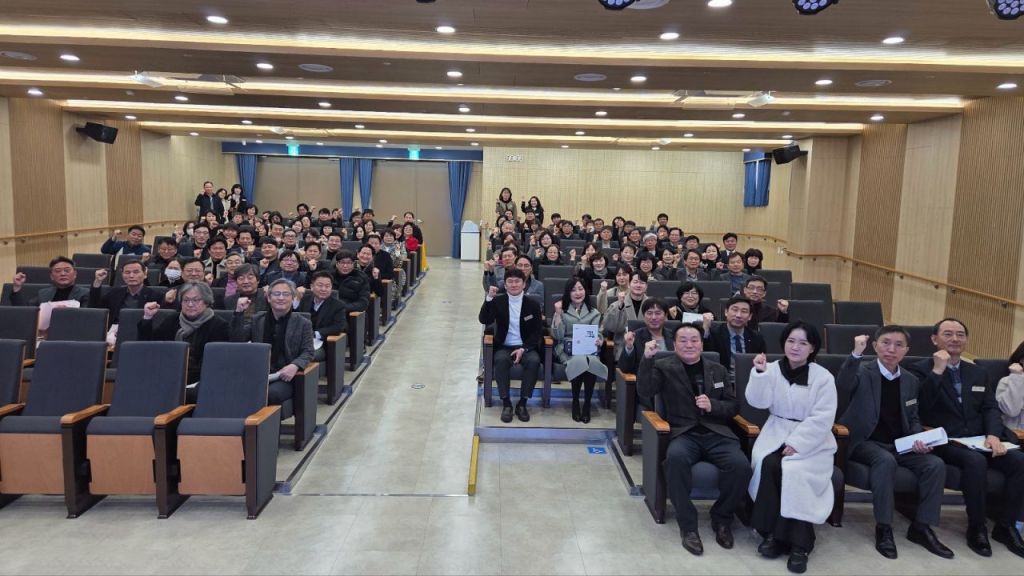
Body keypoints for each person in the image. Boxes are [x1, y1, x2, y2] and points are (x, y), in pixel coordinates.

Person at [908, 318, 1024, 558]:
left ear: (966, 340)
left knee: (1019, 462)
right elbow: (921, 407)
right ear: (934, 339)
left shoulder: (977, 372)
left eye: (960, 334)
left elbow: (990, 408)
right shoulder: (919, 369)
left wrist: (993, 435)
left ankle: (1005, 526)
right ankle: (977, 527)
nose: (955, 339)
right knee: (975, 461)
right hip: (945, 440)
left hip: (979, 439)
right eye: (948, 334)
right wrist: (937, 371)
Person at [836, 328, 953, 560]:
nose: (891, 349)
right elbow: (843, 385)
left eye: (899, 345)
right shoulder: (862, 371)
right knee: (885, 461)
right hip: (865, 441)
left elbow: (913, 416)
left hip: (900, 444)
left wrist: (918, 438)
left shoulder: (910, 380)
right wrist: (855, 354)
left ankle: (921, 527)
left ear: (906, 350)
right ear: (875, 346)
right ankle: (884, 528)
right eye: (886, 343)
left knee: (935, 464)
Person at [638, 323, 749, 556]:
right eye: (683, 340)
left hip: (717, 433)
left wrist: (713, 405)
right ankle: (688, 526)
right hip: (683, 432)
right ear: (674, 344)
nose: (689, 345)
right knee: (675, 460)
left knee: (740, 466)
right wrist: (647, 359)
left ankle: (722, 518)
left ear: (701, 343)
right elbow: (645, 390)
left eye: (694, 340)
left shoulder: (717, 369)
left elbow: (733, 406)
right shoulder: (664, 366)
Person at [747, 322, 838, 574]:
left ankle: (800, 544)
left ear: (813, 348)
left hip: (813, 440)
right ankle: (773, 534)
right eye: (791, 341)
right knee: (769, 463)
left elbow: (823, 417)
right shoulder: (772, 369)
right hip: (776, 431)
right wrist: (760, 374)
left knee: (795, 472)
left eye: (803, 343)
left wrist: (798, 443)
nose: (795, 347)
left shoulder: (823, 378)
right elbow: (758, 402)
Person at [138, 282, 230, 401]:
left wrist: (181, 380)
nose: (190, 304)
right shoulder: (171, 321)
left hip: (200, 380)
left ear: (206, 302)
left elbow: (213, 364)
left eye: (196, 300)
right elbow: (150, 348)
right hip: (168, 375)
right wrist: (147, 318)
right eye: (186, 300)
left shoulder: (218, 326)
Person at [231, 278, 315, 407]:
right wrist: (239, 313)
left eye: (286, 294)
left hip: (284, 376)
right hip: (258, 372)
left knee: (269, 394)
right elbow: (237, 340)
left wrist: (295, 365)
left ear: (293, 298)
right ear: (269, 298)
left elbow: (308, 351)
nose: (281, 298)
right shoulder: (258, 319)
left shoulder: (303, 323)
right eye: (276, 294)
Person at [479, 268, 543, 423]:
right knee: (501, 360)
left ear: (524, 284)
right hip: (504, 345)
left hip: (525, 346)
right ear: (505, 285)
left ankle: (522, 403)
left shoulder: (533, 305)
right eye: (510, 281)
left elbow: (537, 332)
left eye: (517, 281)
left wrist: (524, 348)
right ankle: (506, 403)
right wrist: (489, 298)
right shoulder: (498, 301)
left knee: (534, 361)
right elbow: (484, 319)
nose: (514, 285)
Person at [551, 278, 605, 423]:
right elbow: (558, 336)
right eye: (573, 290)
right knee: (578, 361)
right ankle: (575, 402)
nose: (577, 293)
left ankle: (587, 404)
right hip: (567, 348)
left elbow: (598, 333)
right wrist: (557, 314)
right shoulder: (562, 310)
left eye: (580, 289)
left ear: (585, 291)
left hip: (588, 348)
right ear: (568, 293)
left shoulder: (594, 312)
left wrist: (599, 340)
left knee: (591, 362)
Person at [703, 296, 766, 378]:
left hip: (749, 379)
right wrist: (705, 329)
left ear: (750, 316)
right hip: (721, 380)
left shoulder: (756, 337)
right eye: (735, 310)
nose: (738, 315)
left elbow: (762, 364)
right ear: (726, 312)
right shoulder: (714, 334)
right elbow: (706, 356)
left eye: (744, 311)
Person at [88, 260, 162, 324]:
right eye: (127, 272)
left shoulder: (156, 296)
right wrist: (98, 281)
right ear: (122, 275)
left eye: (136, 272)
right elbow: (95, 308)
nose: (131, 276)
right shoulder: (114, 293)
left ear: (145, 274)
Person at [297, 271, 348, 362]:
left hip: (323, 343)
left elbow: (339, 326)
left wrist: (316, 334)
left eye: (327, 286)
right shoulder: (304, 300)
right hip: (302, 340)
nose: (324, 289)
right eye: (320, 285)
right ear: (312, 287)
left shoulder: (338, 305)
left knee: (307, 355)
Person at [602, 269, 650, 359]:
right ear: (629, 284)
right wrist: (620, 308)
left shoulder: (652, 305)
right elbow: (610, 327)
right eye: (635, 282)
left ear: (646, 286)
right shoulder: (617, 305)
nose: (638, 285)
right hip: (622, 346)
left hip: (647, 346)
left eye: (642, 283)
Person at [7, 256, 89, 307]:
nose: (63, 274)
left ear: (75, 274)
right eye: (58, 271)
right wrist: (17, 287)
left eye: (67, 270)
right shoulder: (43, 294)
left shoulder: (84, 293)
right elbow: (25, 312)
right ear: (51, 276)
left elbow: (85, 318)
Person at [996, 341, 1024, 430]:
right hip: (1015, 434)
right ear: (1022, 359)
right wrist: (1017, 377)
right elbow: (1011, 411)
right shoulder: (1007, 381)